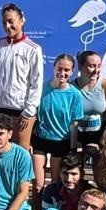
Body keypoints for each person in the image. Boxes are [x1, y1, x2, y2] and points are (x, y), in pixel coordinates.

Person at [0, 3, 43, 149]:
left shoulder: (33, 49)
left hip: (20, 110)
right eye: (4, 22)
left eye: (11, 21)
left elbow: (36, 82)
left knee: (21, 151)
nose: (7, 26)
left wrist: (28, 111)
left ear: (21, 21)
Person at [34, 54, 85, 191]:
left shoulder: (75, 94)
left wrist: (73, 147)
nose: (62, 73)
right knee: (38, 185)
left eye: (66, 70)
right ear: (53, 67)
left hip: (61, 142)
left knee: (55, 185)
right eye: (59, 68)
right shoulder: (42, 88)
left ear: (72, 71)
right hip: (40, 140)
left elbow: (74, 124)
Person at [74, 49, 106, 160]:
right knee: (75, 168)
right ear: (80, 67)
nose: (96, 70)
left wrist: (102, 142)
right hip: (77, 135)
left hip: (99, 135)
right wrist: (74, 144)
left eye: (99, 66)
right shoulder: (72, 87)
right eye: (91, 66)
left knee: (99, 169)